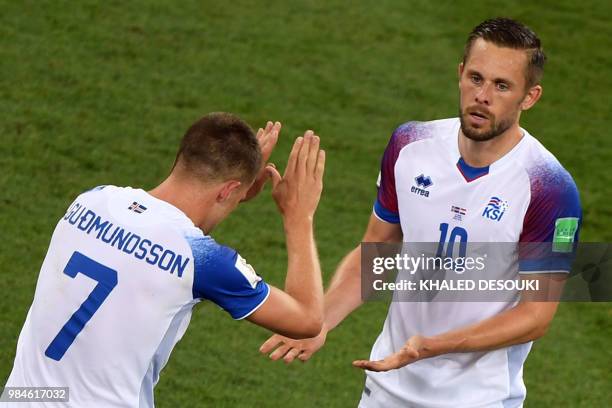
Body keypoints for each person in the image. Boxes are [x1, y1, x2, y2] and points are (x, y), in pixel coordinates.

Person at [260, 17, 581, 407]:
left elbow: (536, 316)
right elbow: (377, 250)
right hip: (386, 388)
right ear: (460, 73)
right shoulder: (411, 144)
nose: (483, 95)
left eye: (502, 85)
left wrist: (432, 347)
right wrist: (320, 321)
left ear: (529, 97)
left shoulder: (548, 186)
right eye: (476, 78)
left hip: (478, 399)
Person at [1, 112, 326, 407]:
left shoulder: (91, 201)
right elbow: (307, 320)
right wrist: (298, 216)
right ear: (228, 191)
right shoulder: (205, 260)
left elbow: (160, 228)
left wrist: (237, 189)